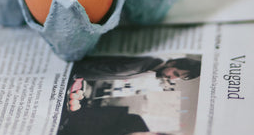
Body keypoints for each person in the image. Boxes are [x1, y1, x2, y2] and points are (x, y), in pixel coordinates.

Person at [71, 55, 201, 82]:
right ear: (172, 63)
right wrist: (73, 70)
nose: (172, 78)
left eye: (177, 78)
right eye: (175, 73)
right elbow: (105, 64)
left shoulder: (151, 69)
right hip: (74, 67)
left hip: (78, 74)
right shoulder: (147, 59)